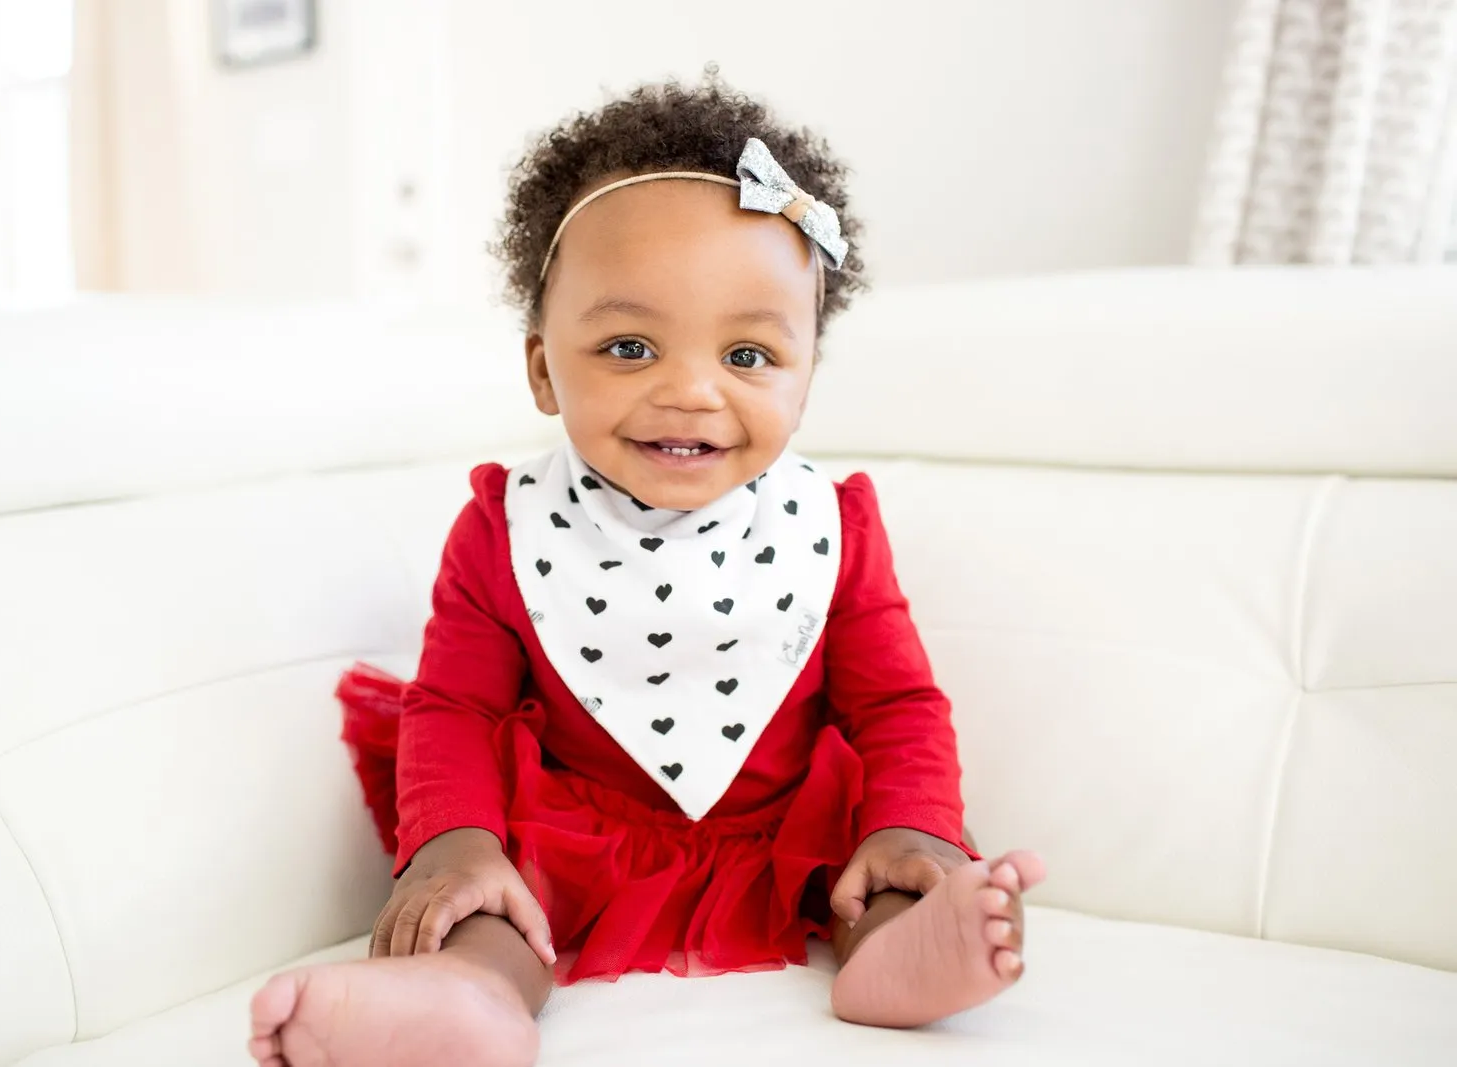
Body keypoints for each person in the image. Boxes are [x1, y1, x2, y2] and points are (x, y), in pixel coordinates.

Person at [248, 70, 1044, 1067]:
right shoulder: (503, 525)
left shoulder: (831, 527)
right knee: (496, 897)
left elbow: (895, 705)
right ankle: (467, 997)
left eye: (748, 356)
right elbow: (451, 705)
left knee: (874, 865)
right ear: (543, 367)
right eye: (629, 345)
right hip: (577, 828)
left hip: (783, 827)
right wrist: (449, 840)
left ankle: (896, 951)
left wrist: (916, 830)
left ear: (807, 376)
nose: (690, 392)